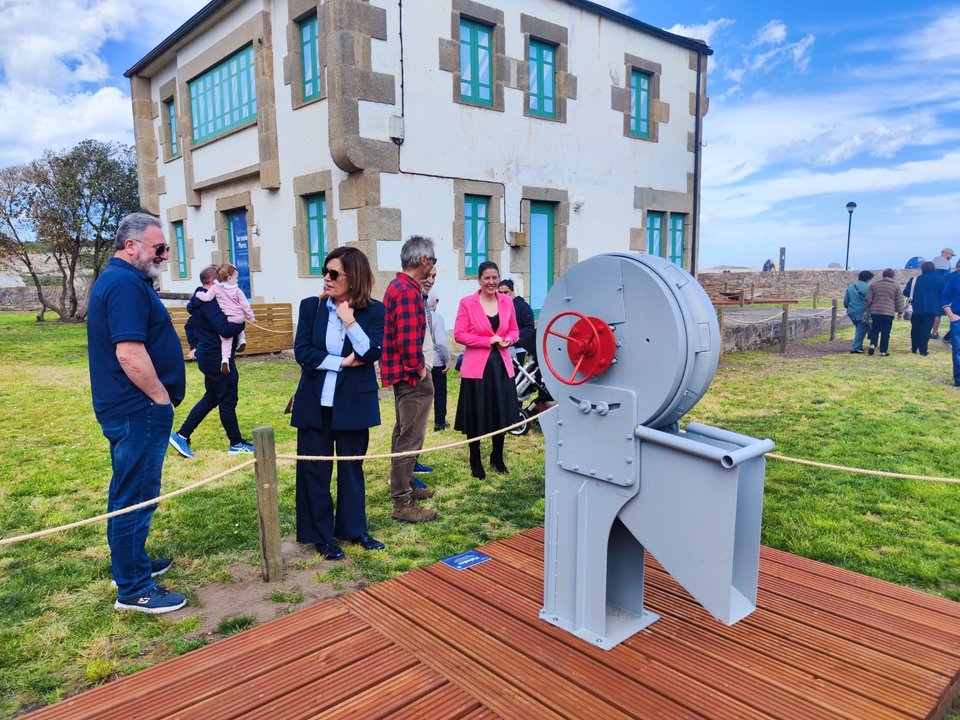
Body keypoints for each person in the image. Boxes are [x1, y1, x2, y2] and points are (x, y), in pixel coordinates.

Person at [86, 212, 187, 614]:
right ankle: (134, 589)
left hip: (129, 408)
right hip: (138, 409)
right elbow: (129, 353)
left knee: (127, 491)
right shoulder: (125, 284)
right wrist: (160, 397)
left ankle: (129, 565)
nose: (163, 256)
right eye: (158, 248)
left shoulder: (122, 281)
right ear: (131, 246)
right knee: (136, 497)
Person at [289, 247, 386, 559]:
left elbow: (372, 352)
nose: (326, 279)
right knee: (314, 470)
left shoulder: (374, 311)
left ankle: (354, 529)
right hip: (315, 402)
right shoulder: (311, 307)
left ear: (353, 278)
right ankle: (320, 535)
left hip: (353, 403)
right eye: (325, 272)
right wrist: (340, 363)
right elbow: (303, 352)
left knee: (351, 468)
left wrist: (349, 321)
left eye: (334, 274)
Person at [381, 235, 438, 523]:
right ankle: (402, 503)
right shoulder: (405, 290)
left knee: (404, 432)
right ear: (424, 261)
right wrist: (419, 369)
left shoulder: (399, 286)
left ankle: (402, 487)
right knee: (410, 437)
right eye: (434, 261)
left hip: (404, 376)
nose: (433, 268)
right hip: (411, 377)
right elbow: (407, 339)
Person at [168, 265, 250, 457]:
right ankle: (236, 444)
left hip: (211, 356)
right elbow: (225, 329)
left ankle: (181, 435)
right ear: (214, 280)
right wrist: (242, 320)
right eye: (222, 277)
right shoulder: (208, 302)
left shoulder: (203, 299)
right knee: (228, 398)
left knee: (212, 397)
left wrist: (195, 346)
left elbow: (190, 325)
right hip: (217, 359)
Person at [454, 260, 520, 479]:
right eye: (487, 278)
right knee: (476, 414)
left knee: (500, 412)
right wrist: (487, 340)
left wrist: (508, 340)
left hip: (501, 366)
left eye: (495, 278)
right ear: (479, 280)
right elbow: (459, 334)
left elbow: (514, 330)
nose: (491, 282)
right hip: (477, 369)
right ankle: (475, 459)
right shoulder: (467, 303)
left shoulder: (506, 302)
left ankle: (497, 456)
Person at [193, 263, 256, 374]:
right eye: (236, 277)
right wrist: (250, 317)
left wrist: (198, 294)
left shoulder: (215, 290)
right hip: (214, 354)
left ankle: (225, 358)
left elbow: (206, 298)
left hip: (208, 353)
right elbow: (226, 330)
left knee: (226, 340)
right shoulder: (236, 291)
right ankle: (242, 339)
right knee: (233, 330)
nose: (237, 280)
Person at [421, 266, 452, 432]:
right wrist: (448, 360)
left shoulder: (420, 313)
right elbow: (441, 342)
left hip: (424, 361)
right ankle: (440, 422)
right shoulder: (437, 317)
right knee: (440, 393)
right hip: (437, 362)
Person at [903, 262, 945, 356]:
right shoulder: (940, 280)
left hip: (916, 308)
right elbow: (944, 294)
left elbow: (906, 292)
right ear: (933, 269)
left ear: (922, 269)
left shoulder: (914, 280)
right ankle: (923, 350)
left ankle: (914, 348)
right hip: (932, 308)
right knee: (926, 329)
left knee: (915, 328)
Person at [865, 268, 904, 356]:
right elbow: (899, 300)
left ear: (883, 275)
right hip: (888, 312)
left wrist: (867, 308)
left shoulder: (874, 285)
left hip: (875, 311)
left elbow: (868, 298)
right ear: (892, 276)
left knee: (875, 329)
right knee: (885, 332)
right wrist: (900, 312)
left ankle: (872, 344)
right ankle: (883, 351)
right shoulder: (896, 286)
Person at [497, 279, 536, 357]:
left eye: (506, 292)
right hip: (501, 348)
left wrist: (513, 336)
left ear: (512, 292)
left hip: (520, 348)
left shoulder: (523, 306)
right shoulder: (496, 307)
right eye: (500, 293)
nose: (503, 295)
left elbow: (529, 327)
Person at [842, 270, 874, 353]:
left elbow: (846, 302)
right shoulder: (869, 288)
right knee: (861, 329)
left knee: (859, 329)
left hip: (851, 312)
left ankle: (859, 346)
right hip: (863, 312)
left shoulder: (850, 287)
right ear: (868, 279)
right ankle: (855, 348)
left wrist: (850, 307)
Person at [929, 248, 954, 339]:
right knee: (938, 313)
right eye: (951, 255)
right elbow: (947, 278)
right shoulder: (947, 264)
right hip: (941, 289)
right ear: (947, 254)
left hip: (931, 288)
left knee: (930, 312)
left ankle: (926, 331)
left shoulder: (934, 261)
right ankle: (934, 333)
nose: (951, 257)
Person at [941, 269, 960, 386]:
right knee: (958, 350)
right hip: (958, 318)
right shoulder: (955, 279)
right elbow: (944, 296)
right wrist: (950, 314)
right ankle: (959, 380)